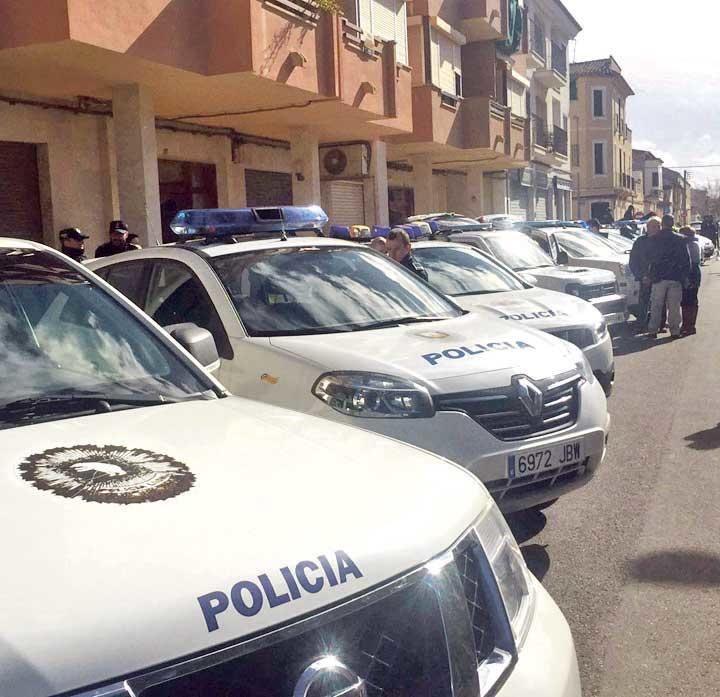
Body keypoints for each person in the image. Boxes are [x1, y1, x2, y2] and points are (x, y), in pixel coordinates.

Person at [646, 214, 692, 339]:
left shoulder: (655, 239)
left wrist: (650, 274)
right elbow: (686, 260)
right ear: (673, 224)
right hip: (675, 276)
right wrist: (685, 275)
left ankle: (652, 330)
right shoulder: (680, 239)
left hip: (659, 276)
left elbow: (650, 258)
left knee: (656, 305)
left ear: (663, 224)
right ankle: (675, 331)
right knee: (674, 306)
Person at [629, 216, 660, 330]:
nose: (656, 229)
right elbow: (633, 261)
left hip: (659, 278)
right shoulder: (640, 242)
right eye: (653, 226)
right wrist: (641, 276)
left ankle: (658, 324)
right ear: (647, 227)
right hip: (644, 277)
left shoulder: (662, 241)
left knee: (658, 303)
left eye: (658, 226)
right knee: (643, 302)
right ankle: (641, 323)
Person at [679, 225, 702, 335]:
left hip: (691, 275)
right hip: (692, 275)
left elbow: (692, 262)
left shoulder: (691, 246)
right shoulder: (691, 245)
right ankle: (687, 324)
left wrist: (687, 278)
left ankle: (689, 325)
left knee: (689, 301)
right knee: (687, 301)